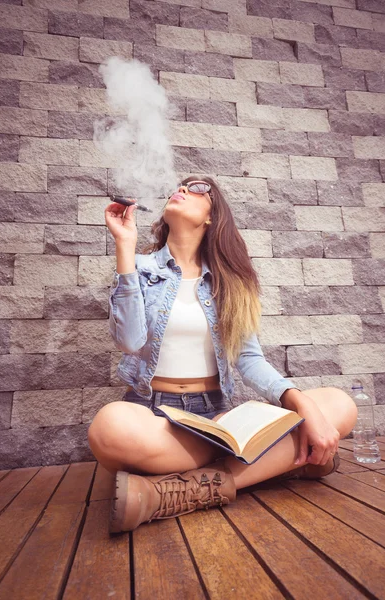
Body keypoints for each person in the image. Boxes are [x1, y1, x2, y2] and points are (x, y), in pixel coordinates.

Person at [88, 176, 358, 534]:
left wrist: (302, 403)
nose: (181, 190)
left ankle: (175, 491)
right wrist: (125, 246)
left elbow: (249, 360)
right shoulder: (140, 267)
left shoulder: (232, 282)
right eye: (179, 186)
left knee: (339, 405)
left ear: (212, 217)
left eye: (197, 188)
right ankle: (269, 466)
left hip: (217, 417)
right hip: (158, 420)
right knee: (109, 427)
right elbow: (129, 341)